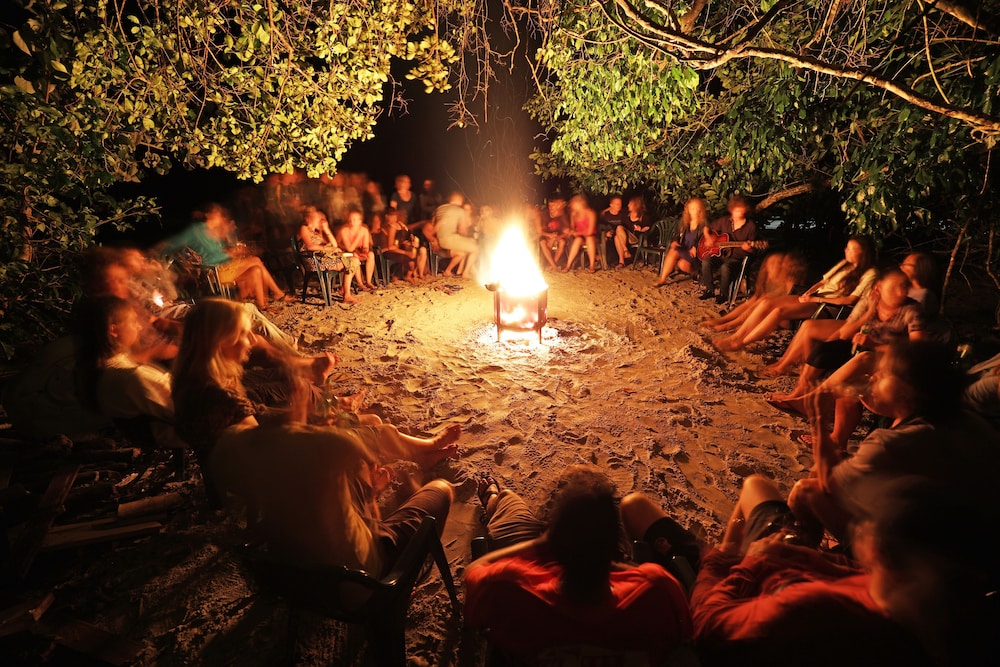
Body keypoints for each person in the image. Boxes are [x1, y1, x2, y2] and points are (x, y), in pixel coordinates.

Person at [171, 299, 462, 497]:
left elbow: (255, 423)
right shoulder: (214, 393)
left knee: (365, 419)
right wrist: (303, 418)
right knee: (369, 428)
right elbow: (260, 451)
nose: (250, 341)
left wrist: (304, 408)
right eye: (242, 335)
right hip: (268, 469)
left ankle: (417, 454)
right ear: (220, 341)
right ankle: (423, 449)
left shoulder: (197, 376)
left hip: (259, 450)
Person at [689, 474, 932, 666]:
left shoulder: (816, 607)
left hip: (743, 589)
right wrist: (817, 559)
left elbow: (709, 628)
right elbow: (857, 573)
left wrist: (731, 562)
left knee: (651, 511)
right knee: (756, 485)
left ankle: (729, 550)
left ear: (877, 548)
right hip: (783, 564)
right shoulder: (906, 598)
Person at [464, 466, 693, 664]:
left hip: (555, 558)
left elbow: (474, 572)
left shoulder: (511, 586)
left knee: (510, 504)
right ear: (616, 543)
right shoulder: (656, 589)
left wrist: (543, 542)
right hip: (594, 555)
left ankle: (494, 499)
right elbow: (682, 637)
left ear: (554, 543)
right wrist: (618, 564)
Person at [787, 340, 999, 545]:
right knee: (839, 465)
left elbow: (828, 486)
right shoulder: (967, 420)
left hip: (929, 559)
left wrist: (817, 420)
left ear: (905, 392)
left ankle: (832, 561)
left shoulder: (892, 442)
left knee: (806, 491)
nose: (875, 376)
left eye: (885, 373)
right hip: (976, 543)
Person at [714, 236, 877, 351]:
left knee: (779, 311)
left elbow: (851, 299)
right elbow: (822, 282)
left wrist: (815, 298)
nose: (846, 250)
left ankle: (741, 343)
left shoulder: (869, 274)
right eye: (847, 247)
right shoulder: (844, 264)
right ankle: (736, 337)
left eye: (851, 248)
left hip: (827, 305)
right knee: (766, 302)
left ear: (862, 253)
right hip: (815, 297)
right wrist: (808, 293)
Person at [74, 295, 186, 451]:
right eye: (133, 321)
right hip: (186, 430)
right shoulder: (131, 378)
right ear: (114, 330)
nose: (139, 327)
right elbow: (187, 411)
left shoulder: (103, 368)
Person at [160, 203, 294, 310]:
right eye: (218, 214)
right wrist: (157, 253)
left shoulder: (213, 232)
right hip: (215, 272)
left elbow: (218, 253)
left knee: (256, 270)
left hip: (225, 267)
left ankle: (263, 306)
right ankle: (278, 293)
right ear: (210, 215)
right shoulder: (196, 230)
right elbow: (174, 243)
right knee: (255, 260)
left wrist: (232, 252)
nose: (221, 217)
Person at [701, 251, 807, 333]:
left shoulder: (790, 281)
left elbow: (784, 305)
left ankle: (728, 325)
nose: (771, 267)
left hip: (785, 320)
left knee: (759, 303)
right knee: (753, 302)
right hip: (771, 313)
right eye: (770, 264)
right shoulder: (770, 280)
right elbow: (754, 299)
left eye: (777, 264)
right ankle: (722, 321)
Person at [698, 195, 759, 305]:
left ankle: (723, 294)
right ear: (732, 210)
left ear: (745, 209)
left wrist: (748, 249)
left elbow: (753, 252)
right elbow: (707, 228)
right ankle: (709, 289)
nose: (738, 212)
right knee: (706, 261)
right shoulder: (724, 221)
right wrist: (709, 237)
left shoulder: (751, 226)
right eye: (736, 210)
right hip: (721, 254)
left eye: (741, 209)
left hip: (736, 258)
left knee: (725, 267)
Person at [297, 206, 362, 303]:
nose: (321, 222)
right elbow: (310, 246)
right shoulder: (304, 228)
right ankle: (346, 293)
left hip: (323, 259)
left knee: (354, 260)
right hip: (314, 262)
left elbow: (334, 244)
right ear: (310, 219)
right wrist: (327, 248)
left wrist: (327, 230)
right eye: (319, 219)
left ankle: (346, 292)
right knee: (352, 261)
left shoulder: (317, 233)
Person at [655, 197, 709, 286]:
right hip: (684, 248)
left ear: (700, 210)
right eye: (692, 208)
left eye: (696, 208)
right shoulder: (684, 222)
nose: (694, 210)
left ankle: (697, 273)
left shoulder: (704, 223)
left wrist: (696, 247)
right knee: (677, 257)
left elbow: (705, 239)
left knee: (678, 258)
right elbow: (677, 234)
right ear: (688, 210)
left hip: (696, 253)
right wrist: (675, 241)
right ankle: (662, 279)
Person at [433, 191, 479, 278]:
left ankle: (452, 271)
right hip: (450, 239)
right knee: (475, 249)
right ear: (460, 200)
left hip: (440, 239)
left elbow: (433, 225)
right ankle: (466, 272)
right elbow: (462, 230)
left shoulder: (439, 209)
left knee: (465, 249)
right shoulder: (458, 210)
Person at [336, 208, 377, 291]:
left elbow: (366, 246)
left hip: (358, 250)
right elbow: (349, 248)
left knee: (371, 255)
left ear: (360, 221)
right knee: (355, 256)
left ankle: (368, 281)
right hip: (346, 252)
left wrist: (364, 252)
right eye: (350, 219)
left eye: (354, 219)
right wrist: (359, 236)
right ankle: (360, 283)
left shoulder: (364, 230)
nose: (351, 221)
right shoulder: (344, 230)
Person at [562, 194, 599, 272]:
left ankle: (592, 265)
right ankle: (568, 265)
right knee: (577, 240)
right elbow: (572, 227)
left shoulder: (590, 213)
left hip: (593, 237)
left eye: (573, 203)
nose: (571, 205)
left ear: (580, 203)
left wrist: (577, 233)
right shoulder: (574, 214)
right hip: (581, 237)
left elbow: (590, 231)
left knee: (589, 239)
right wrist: (570, 231)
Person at [613, 196, 650, 269]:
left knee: (619, 228)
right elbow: (614, 208)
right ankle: (622, 260)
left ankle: (625, 252)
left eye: (630, 204)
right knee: (617, 237)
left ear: (635, 205)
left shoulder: (643, 216)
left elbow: (649, 227)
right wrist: (604, 211)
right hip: (624, 236)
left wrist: (641, 229)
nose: (628, 205)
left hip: (636, 237)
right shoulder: (626, 213)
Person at [539, 194, 570, 271]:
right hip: (547, 237)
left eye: (553, 206)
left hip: (558, 237)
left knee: (562, 242)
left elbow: (567, 232)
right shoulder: (544, 215)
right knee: (542, 242)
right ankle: (554, 266)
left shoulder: (562, 216)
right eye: (550, 206)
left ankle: (552, 265)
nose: (551, 208)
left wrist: (558, 237)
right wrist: (549, 235)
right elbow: (540, 231)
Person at [598, 195, 626, 265]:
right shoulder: (605, 215)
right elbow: (600, 227)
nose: (619, 206)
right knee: (604, 239)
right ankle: (601, 259)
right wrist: (605, 233)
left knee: (617, 236)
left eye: (620, 204)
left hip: (620, 237)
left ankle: (621, 261)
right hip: (609, 236)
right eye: (617, 204)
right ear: (611, 205)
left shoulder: (623, 214)